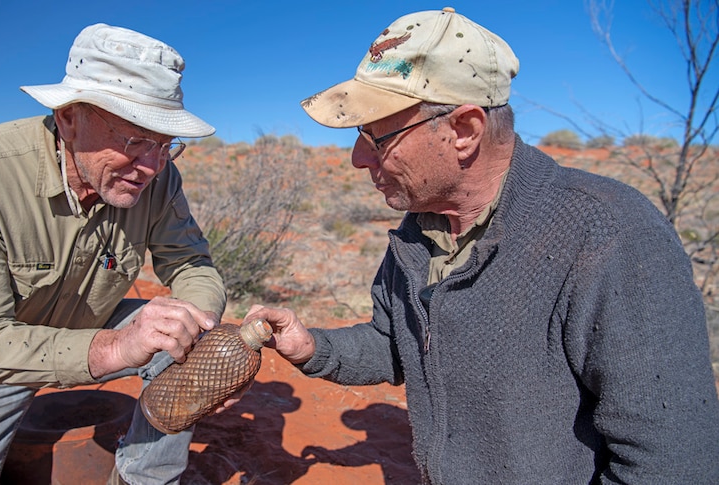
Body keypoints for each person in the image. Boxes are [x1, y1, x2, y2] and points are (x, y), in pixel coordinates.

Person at [246, 8, 719, 484]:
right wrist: (314, 348)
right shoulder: (419, 233)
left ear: (465, 131)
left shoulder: (610, 234)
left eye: (376, 135)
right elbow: (398, 343)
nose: (357, 158)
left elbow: (670, 463)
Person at [0, 24, 227, 484]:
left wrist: (198, 327)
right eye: (135, 140)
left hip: (86, 323)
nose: (151, 167)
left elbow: (191, 263)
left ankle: (146, 480)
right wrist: (117, 346)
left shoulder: (157, 178)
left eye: (165, 145)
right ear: (70, 118)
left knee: (188, 340)